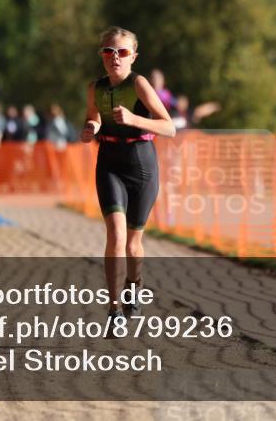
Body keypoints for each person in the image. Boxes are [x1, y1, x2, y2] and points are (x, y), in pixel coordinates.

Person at [81, 26, 176, 335]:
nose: (115, 58)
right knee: (116, 237)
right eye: (108, 52)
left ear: (133, 56)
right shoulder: (95, 87)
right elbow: (93, 116)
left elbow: (168, 127)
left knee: (134, 244)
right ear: (102, 56)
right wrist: (90, 128)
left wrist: (135, 119)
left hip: (141, 165)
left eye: (122, 52)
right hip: (109, 163)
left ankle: (135, 286)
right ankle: (114, 310)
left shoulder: (139, 85)